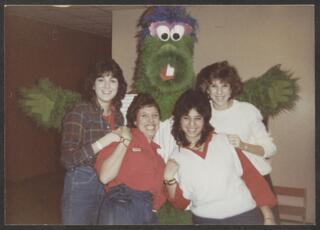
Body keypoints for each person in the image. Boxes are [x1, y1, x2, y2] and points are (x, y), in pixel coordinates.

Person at [164, 89, 267, 225]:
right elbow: (181, 204)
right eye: (186, 118)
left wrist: (268, 216)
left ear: (205, 119)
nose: (192, 125)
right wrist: (168, 178)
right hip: (205, 221)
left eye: (198, 118)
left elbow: (252, 178)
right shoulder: (176, 156)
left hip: (244, 217)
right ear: (179, 120)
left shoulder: (224, 141)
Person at [195, 61, 279, 224]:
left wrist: (243, 145)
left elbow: (271, 148)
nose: (219, 92)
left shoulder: (247, 110)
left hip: (258, 179)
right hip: (226, 186)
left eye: (224, 86)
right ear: (207, 89)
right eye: (213, 86)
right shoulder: (203, 114)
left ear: (232, 87)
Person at [60, 59, 127, 224]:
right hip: (83, 179)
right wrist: (104, 141)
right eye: (100, 80)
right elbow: (67, 160)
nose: (106, 86)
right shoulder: (79, 111)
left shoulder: (118, 115)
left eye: (112, 80)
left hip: (109, 181)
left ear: (119, 86)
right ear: (92, 85)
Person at [95, 93, 167, 225]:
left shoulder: (158, 158)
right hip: (122, 206)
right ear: (135, 121)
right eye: (144, 115)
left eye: (155, 115)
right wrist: (125, 141)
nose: (151, 120)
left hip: (147, 213)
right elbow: (104, 176)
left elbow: (159, 195)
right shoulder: (120, 139)